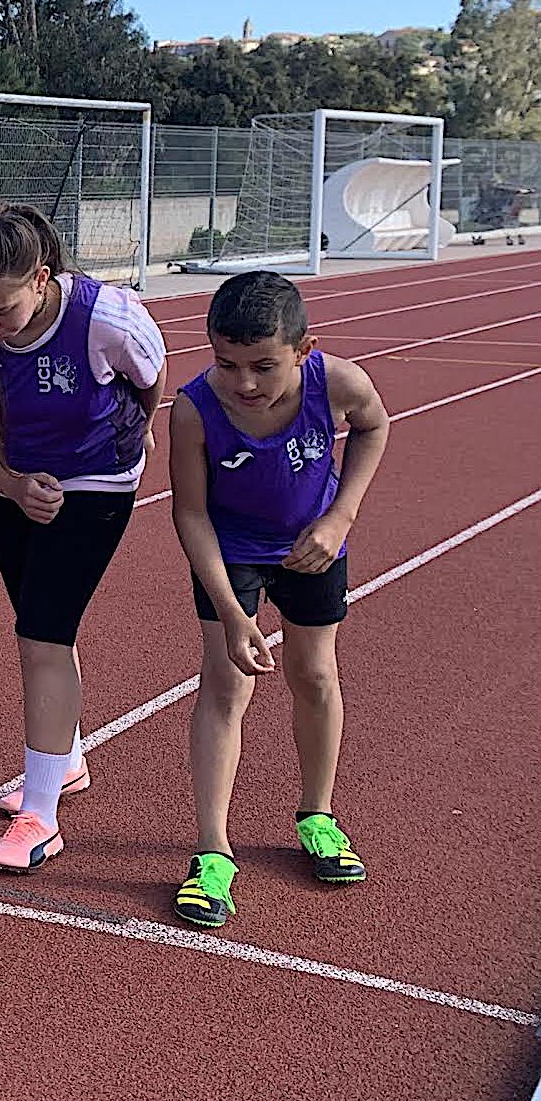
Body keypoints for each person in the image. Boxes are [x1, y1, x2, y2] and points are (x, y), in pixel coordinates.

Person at [0, 204, 166, 873]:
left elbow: (147, 384)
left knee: (41, 635)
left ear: (40, 277)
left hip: (96, 481)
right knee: (40, 625)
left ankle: (40, 817)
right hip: (7, 480)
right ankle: (67, 760)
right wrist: (11, 482)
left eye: (1, 311)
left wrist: (130, 435)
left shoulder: (107, 319)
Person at [168, 271, 388, 928]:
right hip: (230, 549)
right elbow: (190, 514)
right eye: (226, 364)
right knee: (225, 683)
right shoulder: (193, 409)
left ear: (302, 349)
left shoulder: (339, 382)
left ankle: (316, 815)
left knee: (314, 674)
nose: (244, 383)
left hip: (311, 545)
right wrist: (233, 616)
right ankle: (211, 851)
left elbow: (373, 427)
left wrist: (339, 518)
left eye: (263, 365)